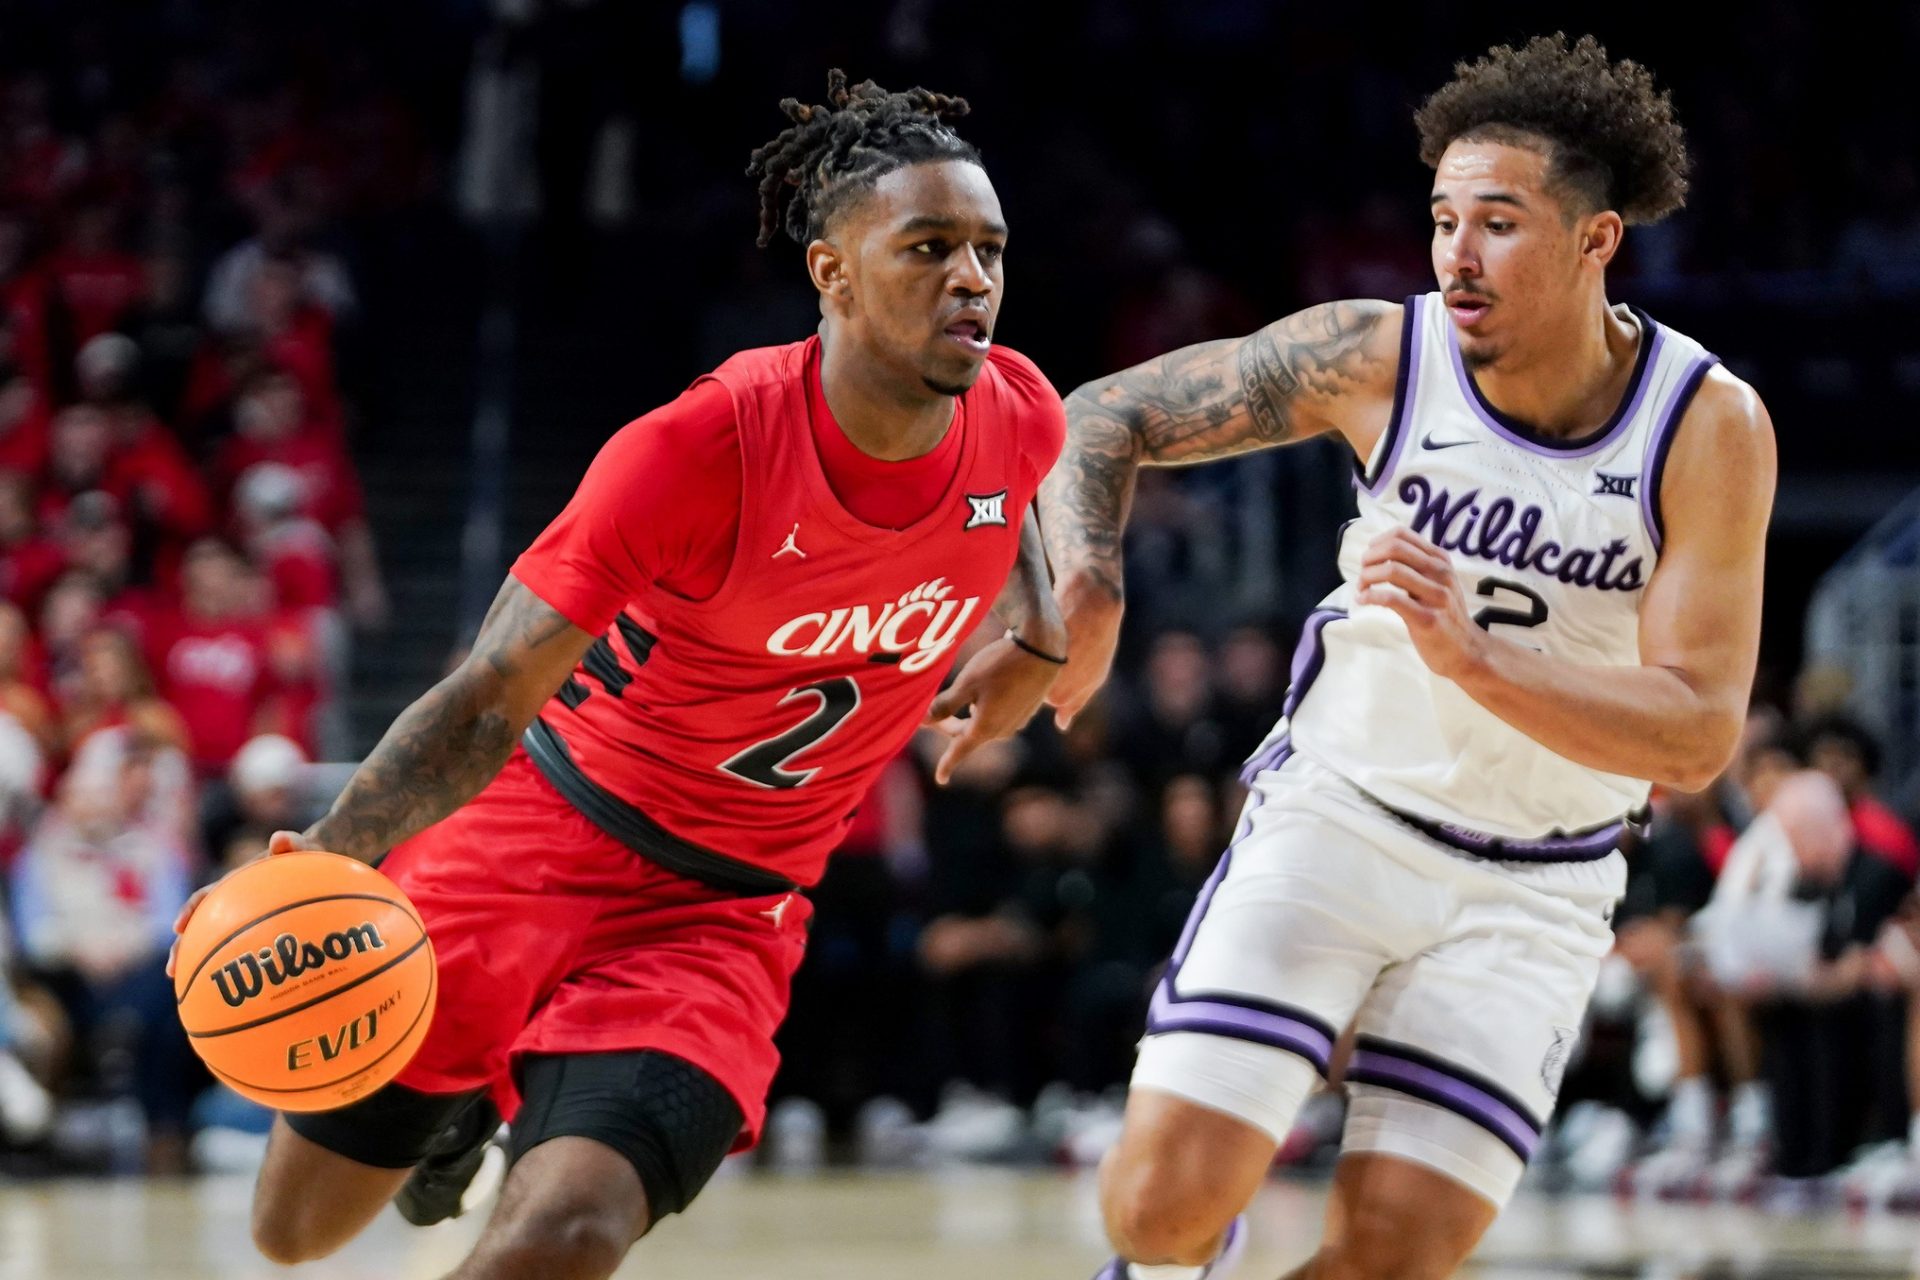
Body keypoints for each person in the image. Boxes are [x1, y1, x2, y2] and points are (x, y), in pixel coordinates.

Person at [170, 71, 1067, 1280]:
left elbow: (1022, 507)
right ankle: (468, 1096)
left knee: (566, 1233)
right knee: (293, 1229)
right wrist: (330, 852)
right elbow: (491, 689)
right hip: (534, 833)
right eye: (931, 247)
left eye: (990, 250)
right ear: (832, 273)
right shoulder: (696, 450)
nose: (973, 278)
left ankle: (514, 1102)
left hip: (722, 908)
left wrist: (1046, 628)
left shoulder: (1022, 417)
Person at [1039, 35, 1777, 1280]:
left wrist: (1472, 656)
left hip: (1537, 887)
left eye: (1499, 222)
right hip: (1342, 820)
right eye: (1444, 218)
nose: (1456, 253)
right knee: (1158, 1207)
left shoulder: (1705, 424)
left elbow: (1698, 731)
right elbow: (1099, 416)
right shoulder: (1383, 353)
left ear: (1599, 240)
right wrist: (1091, 582)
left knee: (1391, 1256)